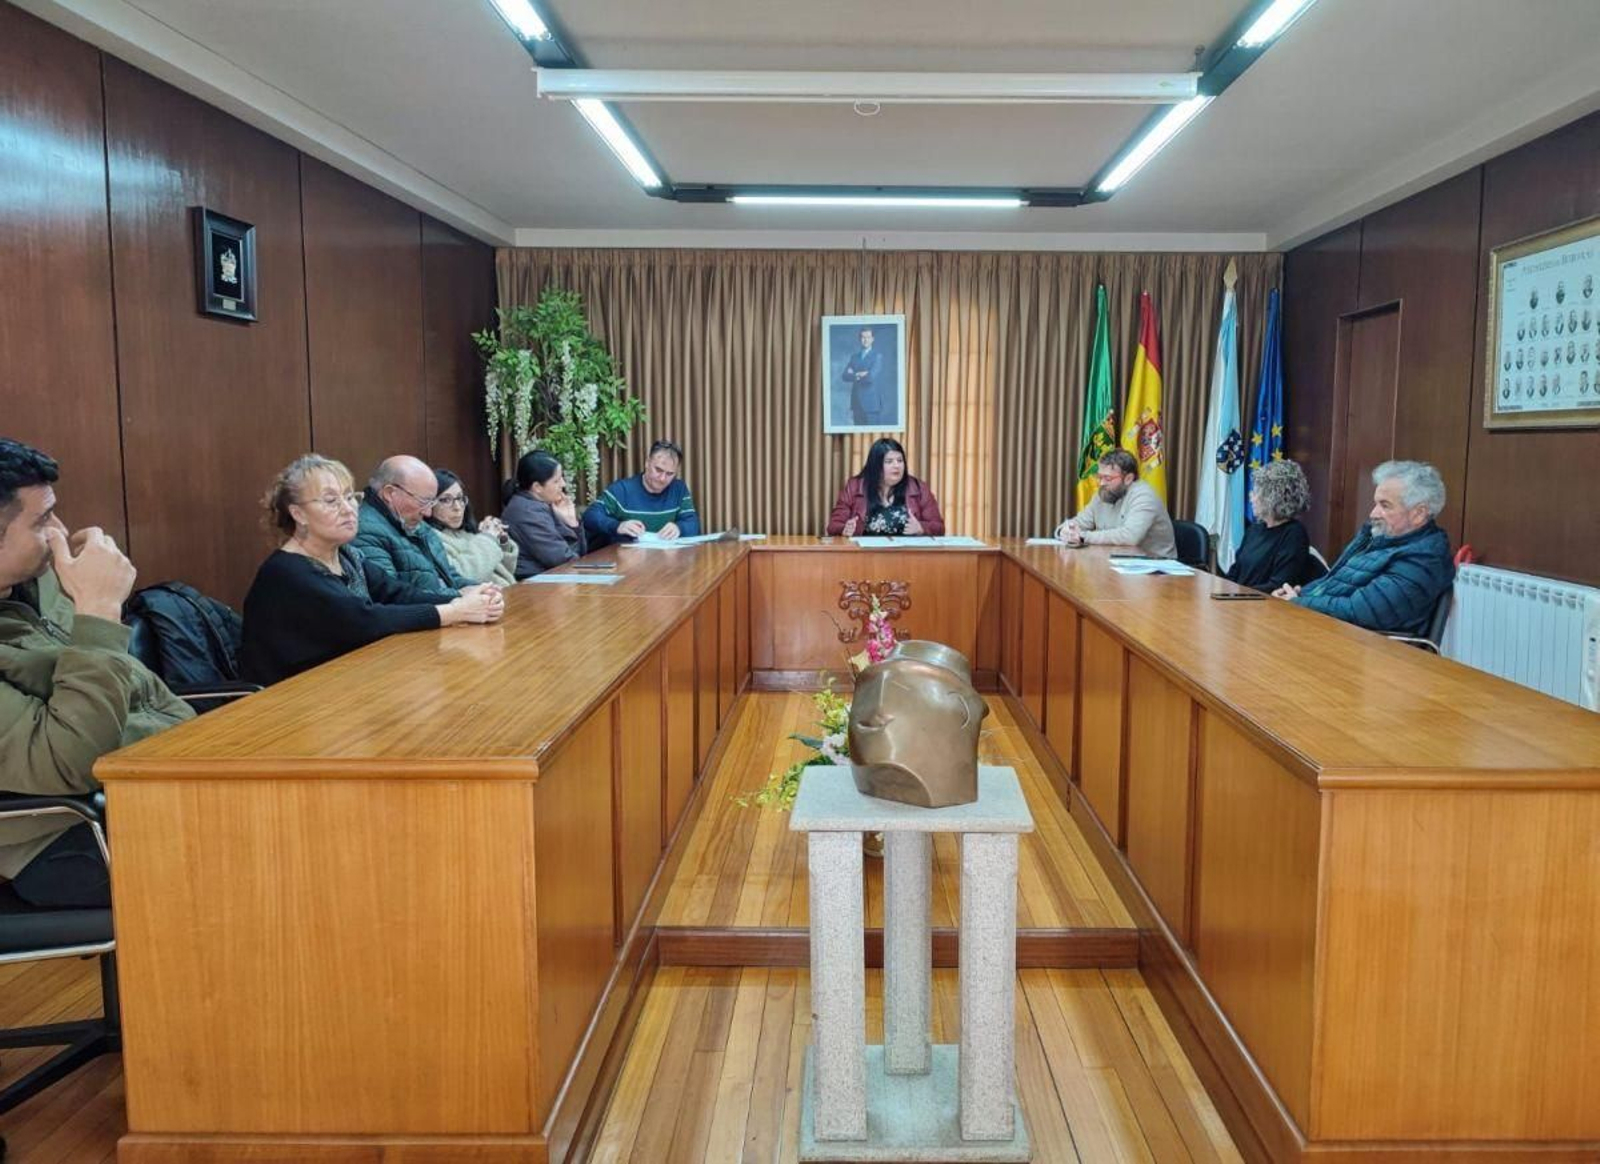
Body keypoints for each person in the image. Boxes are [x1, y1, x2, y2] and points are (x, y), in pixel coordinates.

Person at [0, 438, 192, 908]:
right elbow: (65, 760)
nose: (60, 533)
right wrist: (99, 611)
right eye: (42, 521)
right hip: (63, 833)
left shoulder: (36, 588)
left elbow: (138, 691)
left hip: (146, 784)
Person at [240, 455, 503, 685]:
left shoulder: (347, 555)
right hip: (290, 701)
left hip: (344, 682)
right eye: (331, 500)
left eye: (350, 497)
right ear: (298, 514)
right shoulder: (287, 572)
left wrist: (465, 597)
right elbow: (366, 620)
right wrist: (455, 611)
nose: (348, 509)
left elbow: (397, 593)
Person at [1273, 460, 1454, 636]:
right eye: (1376, 503)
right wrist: (1298, 595)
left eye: (1385, 505)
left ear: (1418, 514)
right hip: (1330, 631)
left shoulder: (1424, 559)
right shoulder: (1379, 537)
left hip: (1364, 648)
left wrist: (1299, 602)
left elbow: (1359, 612)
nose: (1373, 513)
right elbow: (1334, 582)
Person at [351, 455, 467, 601]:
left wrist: (481, 589)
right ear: (389, 494)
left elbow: (449, 576)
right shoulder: (365, 530)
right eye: (423, 502)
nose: (428, 513)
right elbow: (392, 596)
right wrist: (460, 595)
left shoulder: (416, 523)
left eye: (431, 503)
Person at [1225, 459, 1325, 593]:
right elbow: (1234, 572)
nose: (1251, 497)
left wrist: (1238, 594)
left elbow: (1278, 585)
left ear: (1272, 498)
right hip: (1240, 599)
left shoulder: (1294, 534)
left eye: (1256, 492)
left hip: (1263, 603)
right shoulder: (1254, 529)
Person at [1054, 449, 1176, 558]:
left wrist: (1082, 536)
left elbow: (1130, 537)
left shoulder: (1144, 496)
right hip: (1117, 561)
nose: (1101, 483)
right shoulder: (1104, 493)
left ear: (1128, 479)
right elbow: (1080, 522)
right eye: (1099, 477)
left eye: (1107, 478)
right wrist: (1065, 531)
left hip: (1156, 566)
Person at [583, 439, 701, 545]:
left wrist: (679, 528)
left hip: (667, 559)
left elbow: (693, 523)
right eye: (658, 470)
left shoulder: (679, 489)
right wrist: (617, 526)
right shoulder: (622, 490)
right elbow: (590, 516)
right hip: (627, 558)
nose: (662, 478)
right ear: (647, 463)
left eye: (670, 474)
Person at [827, 438, 945, 537]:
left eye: (900, 460)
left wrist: (921, 528)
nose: (896, 466)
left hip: (906, 554)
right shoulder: (854, 487)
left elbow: (939, 528)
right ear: (876, 465)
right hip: (865, 554)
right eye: (889, 461)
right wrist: (844, 529)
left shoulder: (918, 488)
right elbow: (833, 526)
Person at [503, 451, 587, 578]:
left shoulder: (541, 504)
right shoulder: (527, 513)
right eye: (556, 481)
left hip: (553, 577)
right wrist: (571, 527)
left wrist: (572, 523)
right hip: (532, 583)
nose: (563, 484)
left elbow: (579, 556)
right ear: (537, 487)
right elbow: (564, 560)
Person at [429, 468, 517, 586]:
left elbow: (507, 571)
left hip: (508, 591)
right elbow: (465, 577)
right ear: (429, 503)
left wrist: (502, 541)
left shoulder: (467, 533)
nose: (457, 507)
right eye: (446, 500)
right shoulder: (431, 539)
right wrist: (487, 538)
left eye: (460, 498)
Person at [842, 326, 885, 426]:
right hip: (856, 403)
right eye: (863, 337)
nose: (865, 340)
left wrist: (854, 373)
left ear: (872, 339)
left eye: (868, 337)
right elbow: (844, 376)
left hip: (871, 405)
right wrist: (859, 374)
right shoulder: (854, 357)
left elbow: (870, 377)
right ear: (859, 339)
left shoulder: (877, 356)